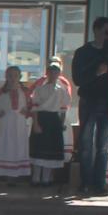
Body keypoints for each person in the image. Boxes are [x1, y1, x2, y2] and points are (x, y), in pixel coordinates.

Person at [71, 16, 108, 196]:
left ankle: (99, 183)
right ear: (96, 30)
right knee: (86, 144)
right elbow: (77, 79)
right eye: (106, 32)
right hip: (89, 101)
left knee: (103, 146)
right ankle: (85, 183)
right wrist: (97, 72)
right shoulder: (83, 52)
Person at [0, 65, 32, 181]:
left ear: (20, 77)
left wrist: (27, 112)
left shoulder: (24, 92)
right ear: (6, 77)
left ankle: (13, 176)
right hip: (5, 124)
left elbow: (31, 106)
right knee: (2, 147)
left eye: (15, 76)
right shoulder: (0, 93)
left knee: (17, 148)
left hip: (19, 124)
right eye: (10, 76)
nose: (13, 78)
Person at [30, 60, 73, 188]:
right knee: (39, 149)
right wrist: (36, 124)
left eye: (56, 72)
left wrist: (61, 123)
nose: (53, 74)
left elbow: (63, 109)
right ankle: (36, 177)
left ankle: (46, 178)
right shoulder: (40, 89)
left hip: (54, 120)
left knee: (50, 151)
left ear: (59, 74)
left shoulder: (62, 91)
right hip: (42, 118)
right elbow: (35, 108)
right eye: (51, 72)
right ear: (47, 73)